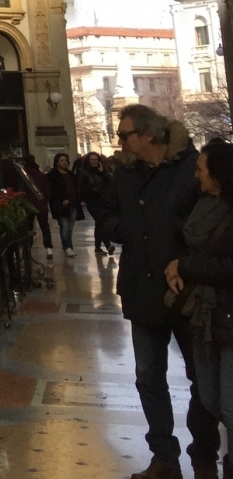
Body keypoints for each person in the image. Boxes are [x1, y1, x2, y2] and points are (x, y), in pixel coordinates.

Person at [100, 104, 220, 479]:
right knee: (148, 376)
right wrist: (120, 229)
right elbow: (104, 211)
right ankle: (164, 457)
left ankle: (204, 450)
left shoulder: (189, 168)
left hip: (185, 292)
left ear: (149, 135)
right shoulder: (125, 173)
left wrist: (183, 251)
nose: (119, 141)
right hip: (140, 288)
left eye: (124, 135)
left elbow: (210, 220)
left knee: (201, 377)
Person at [166, 138, 233, 446]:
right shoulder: (203, 205)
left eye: (201, 169)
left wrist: (186, 266)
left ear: (218, 174)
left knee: (229, 405)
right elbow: (189, 247)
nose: (196, 175)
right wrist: (178, 265)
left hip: (227, 314)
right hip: (203, 316)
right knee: (209, 397)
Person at [78, 151, 115, 256]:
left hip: (103, 200)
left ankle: (98, 248)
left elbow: (111, 181)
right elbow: (79, 186)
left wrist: (103, 172)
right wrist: (81, 200)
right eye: (91, 159)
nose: (94, 161)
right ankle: (107, 245)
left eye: (96, 159)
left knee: (100, 223)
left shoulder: (103, 170)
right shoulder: (83, 171)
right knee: (100, 221)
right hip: (91, 200)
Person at [47, 151, 80, 258]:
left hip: (73, 204)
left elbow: (75, 189)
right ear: (57, 162)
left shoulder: (71, 175)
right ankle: (68, 247)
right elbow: (52, 191)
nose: (64, 162)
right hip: (60, 206)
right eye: (61, 160)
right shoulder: (52, 176)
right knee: (64, 226)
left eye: (66, 160)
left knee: (69, 228)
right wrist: (61, 200)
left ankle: (68, 246)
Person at [22, 154, 54, 260]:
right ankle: (48, 248)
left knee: (28, 227)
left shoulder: (23, 175)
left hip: (28, 205)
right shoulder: (41, 175)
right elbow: (48, 190)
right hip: (41, 204)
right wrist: (44, 200)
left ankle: (27, 249)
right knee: (44, 226)